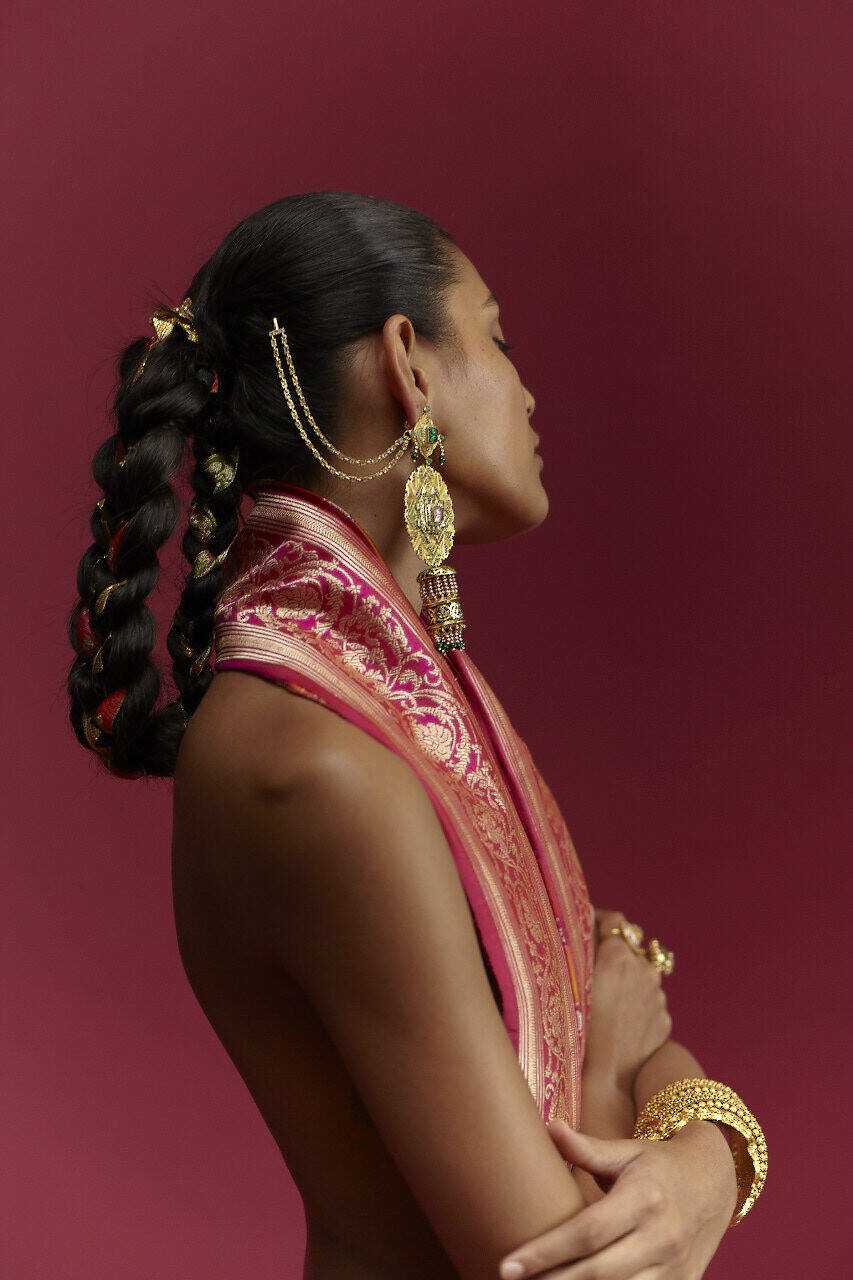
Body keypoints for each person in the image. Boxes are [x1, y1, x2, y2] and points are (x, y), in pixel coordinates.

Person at [67, 192, 766, 1280]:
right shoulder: (311, 762)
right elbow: (558, 1258)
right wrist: (627, 1074)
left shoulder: (401, 703)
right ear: (411, 363)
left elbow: (616, 992)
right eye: (498, 335)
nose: (529, 391)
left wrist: (707, 1158)